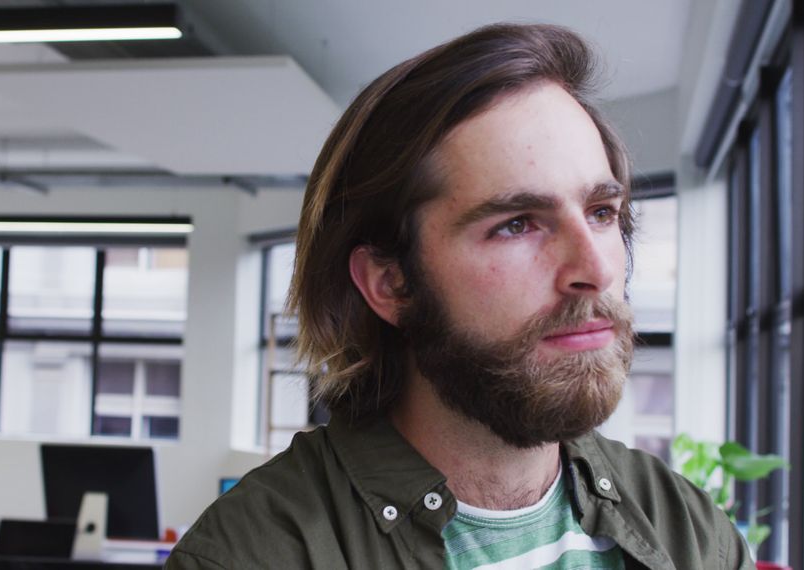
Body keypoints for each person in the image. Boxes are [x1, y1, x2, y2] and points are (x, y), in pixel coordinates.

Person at [167, 23, 752, 570]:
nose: (596, 269)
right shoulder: (254, 554)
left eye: (601, 212)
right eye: (517, 224)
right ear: (390, 283)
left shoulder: (691, 533)